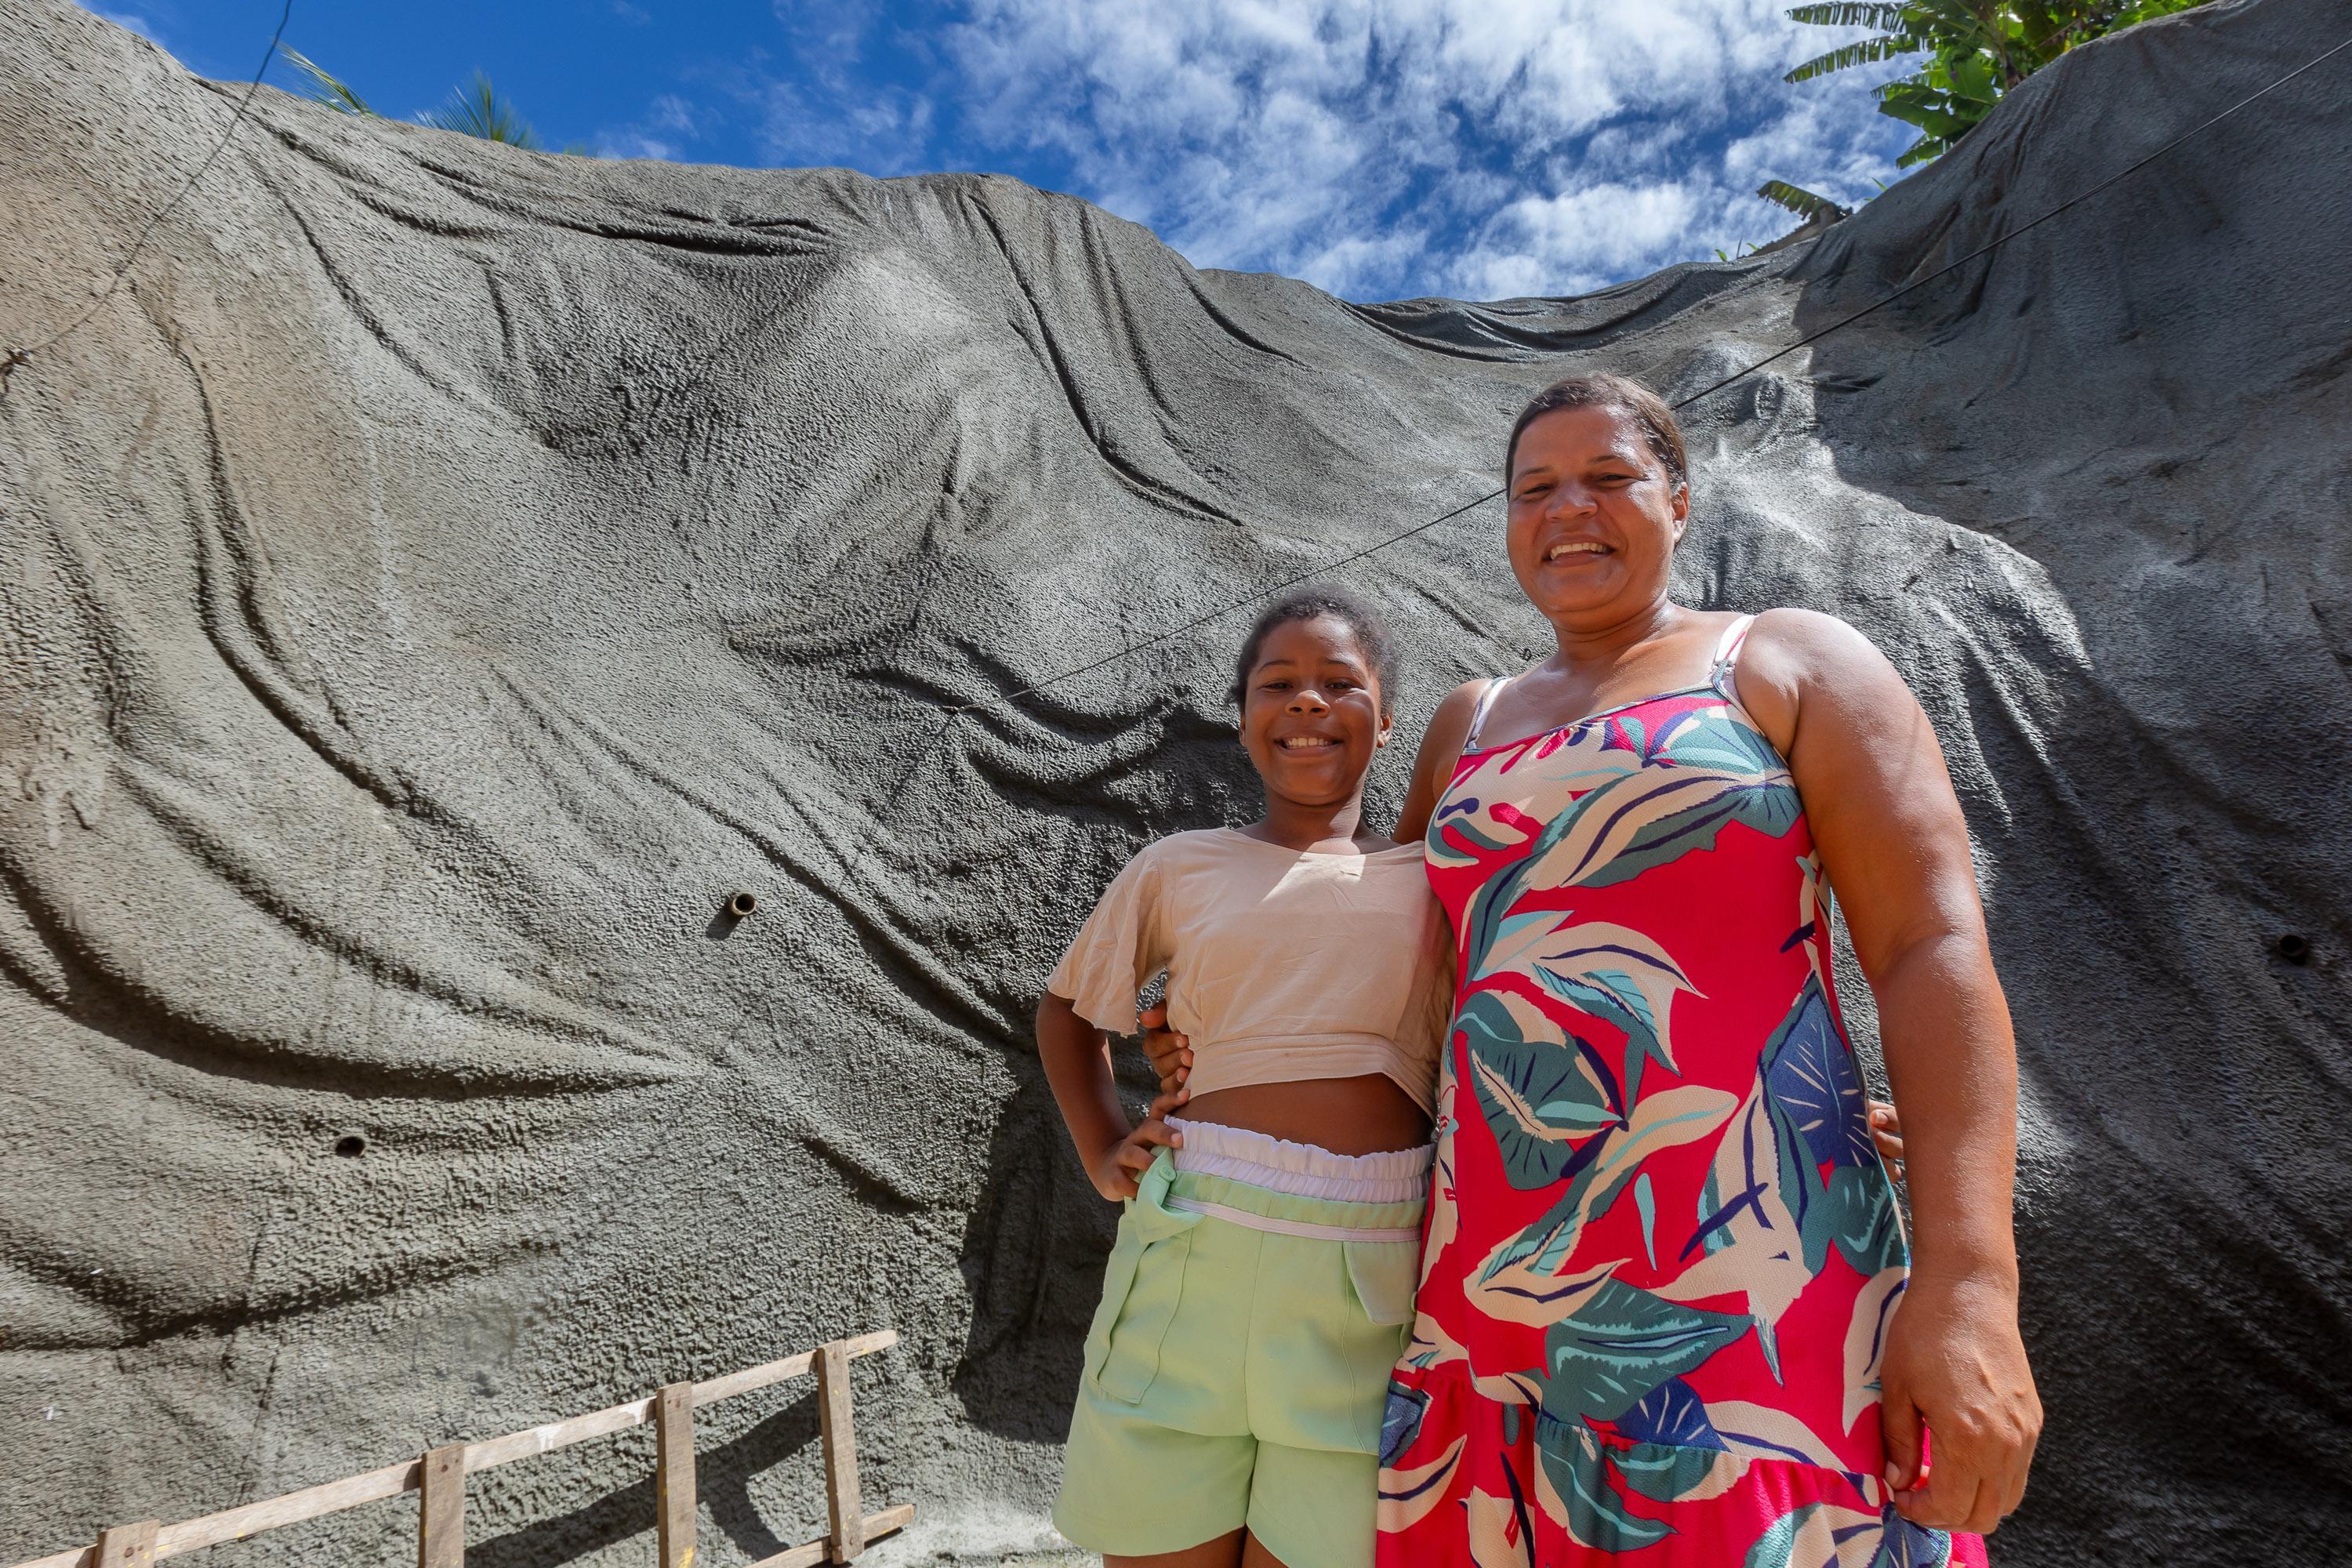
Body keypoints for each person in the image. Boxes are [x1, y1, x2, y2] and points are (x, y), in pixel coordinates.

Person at [1147, 373, 2038, 1566]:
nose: (1570, 508)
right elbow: (1401, 973)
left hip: (1749, 1279)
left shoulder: (1784, 662)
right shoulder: (1472, 720)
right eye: (1535, 489)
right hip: (1489, 1293)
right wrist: (1207, 1036)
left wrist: (1972, 1282)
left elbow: (1930, 946)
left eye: (1609, 478)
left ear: (1677, 501)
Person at [1036, 588, 1452, 1568]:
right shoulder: (1182, 864)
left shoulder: (1438, 875)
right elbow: (1067, 1010)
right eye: (1280, 683)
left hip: (1368, 1275)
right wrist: (1103, 1151)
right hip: (1193, 1242)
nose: (1308, 701)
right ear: (1242, 719)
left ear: (1387, 721)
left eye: (1340, 682)